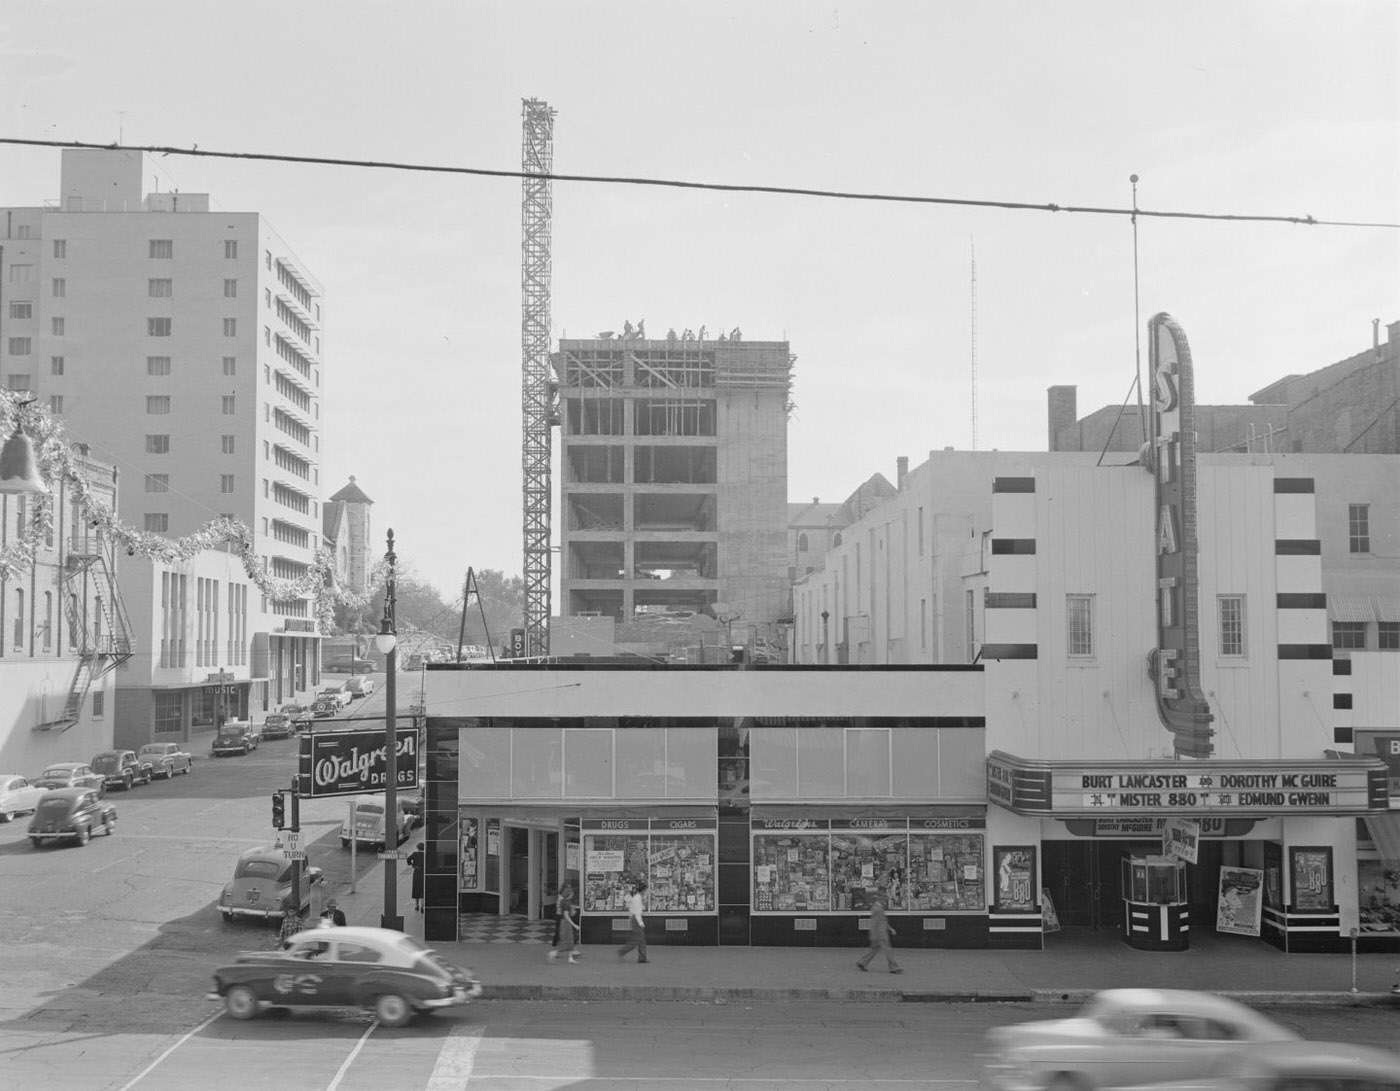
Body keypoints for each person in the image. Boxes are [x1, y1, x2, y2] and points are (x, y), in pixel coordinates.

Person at [856, 892, 902, 974]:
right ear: (880, 899)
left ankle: (862, 962)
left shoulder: (878, 907)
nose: (885, 899)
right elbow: (875, 923)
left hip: (879, 933)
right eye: (884, 898)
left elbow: (882, 920)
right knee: (888, 950)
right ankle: (893, 968)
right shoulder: (877, 909)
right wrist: (874, 935)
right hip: (880, 934)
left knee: (874, 950)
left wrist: (890, 929)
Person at [616, 878, 649, 964]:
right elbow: (638, 912)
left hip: (634, 919)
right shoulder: (637, 899)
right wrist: (641, 923)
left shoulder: (637, 897)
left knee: (641, 940)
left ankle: (642, 958)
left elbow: (636, 909)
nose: (646, 892)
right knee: (637, 939)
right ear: (643, 890)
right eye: (645, 890)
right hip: (636, 920)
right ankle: (623, 951)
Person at [548, 882, 582, 964]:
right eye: (571, 892)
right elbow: (566, 915)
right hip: (565, 923)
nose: (573, 894)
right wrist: (575, 925)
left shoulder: (565, 901)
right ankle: (553, 953)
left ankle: (570, 958)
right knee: (566, 941)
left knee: (570, 940)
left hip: (565, 921)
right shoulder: (565, 902)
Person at [407, 842, 426, 912]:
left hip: (416, 872)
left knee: (416, 889)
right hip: (423, 872)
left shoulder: (415, 854)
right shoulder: (425, 854)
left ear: (417, 848)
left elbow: (408, 859)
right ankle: (422, 906)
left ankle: (417, 905)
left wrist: (411, 864)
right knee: (423, 889)